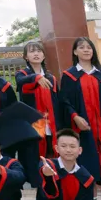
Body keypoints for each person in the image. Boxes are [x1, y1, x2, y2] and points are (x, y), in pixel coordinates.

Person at [57, 37, 101, 182]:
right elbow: (64, 101)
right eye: (82, 47)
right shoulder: (69, 76)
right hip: (82, 128)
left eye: (89, 47)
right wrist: (75, 117)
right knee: (86, 164)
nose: (86, 50)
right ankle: (90, 191)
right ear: (75, 52)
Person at [15, 41, 58, 188]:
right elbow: (21, 82)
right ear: (26, 57)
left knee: (51, 158)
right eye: (32, 51)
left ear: (44, 55)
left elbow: (58, 101)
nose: (36, 54)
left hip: (51, 125)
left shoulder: (51, 78)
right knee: (34, 160)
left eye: (39, 51)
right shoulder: (22, 74)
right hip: (33, 126)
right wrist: (37, 78)